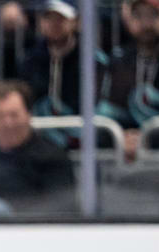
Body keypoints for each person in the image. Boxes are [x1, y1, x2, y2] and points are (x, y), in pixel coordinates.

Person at [0, 80, 78, 218]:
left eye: (14, 115)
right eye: (0, 116)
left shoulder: (52, 156)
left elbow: (62, 206)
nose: (8, 123)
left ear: (29, 116)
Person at [21, 0, 108, 148]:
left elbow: (98, 103)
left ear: (75, 22)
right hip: (40, 141)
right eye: (48, 18)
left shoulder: (93, 60)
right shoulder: (29, 61)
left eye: (61, 18)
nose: (54, 24)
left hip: (82, 139)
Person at [99, 0, 159, 159]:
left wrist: (147, 138)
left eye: (154, 15)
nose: (146, 23)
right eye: (138, 15)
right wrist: (121, 136)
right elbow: (109, 109)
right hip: (125, 149)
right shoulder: (120, 59)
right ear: (128, 19)